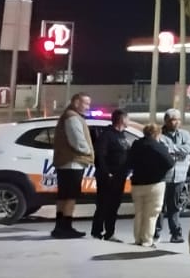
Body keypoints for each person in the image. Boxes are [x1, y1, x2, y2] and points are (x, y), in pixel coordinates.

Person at [50, 92, 94, 238]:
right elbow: (77, 140)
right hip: (73, 162)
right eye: (86, 103)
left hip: (66, 163)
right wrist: (88, 151)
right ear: (76, 102)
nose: (88, 107)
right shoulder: (73, 117)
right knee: (70, 196)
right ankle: (66, 227)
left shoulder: (68, 116)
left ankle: (59, 227)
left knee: (63, 196)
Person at [124, 122, 173, 247]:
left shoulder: (136, 145)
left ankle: (138, 239)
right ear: (157, 134)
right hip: (154, 184)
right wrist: (159, 171)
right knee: (151, 214)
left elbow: (128, 163)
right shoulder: (158, 146)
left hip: (137, 183)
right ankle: (147, 240)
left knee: (139, 213)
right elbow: (170, 162)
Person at [90, 109, 134, 241]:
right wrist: (107, 173)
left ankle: (109, 232)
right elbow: (100, 155)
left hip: (120, 176)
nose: (129, 121)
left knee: (114, 205)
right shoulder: (107, 135)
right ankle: (98, 231)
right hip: (108, 177)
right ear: (121, 120)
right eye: (127, 118)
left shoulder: (122, 135)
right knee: (104, 204)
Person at [153, 109, 190, 244]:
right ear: (166, 121)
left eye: (178, 120)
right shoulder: (159, 135)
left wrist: (172, 149)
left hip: (179, 176)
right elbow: (162, 150)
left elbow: (188, 148)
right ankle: (155, 233)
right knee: (160, 207)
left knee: (175, 206)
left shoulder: (185, 134)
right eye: (172, 120)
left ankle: (176, 233)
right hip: (163, 176)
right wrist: (178, 151)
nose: (176, 122)